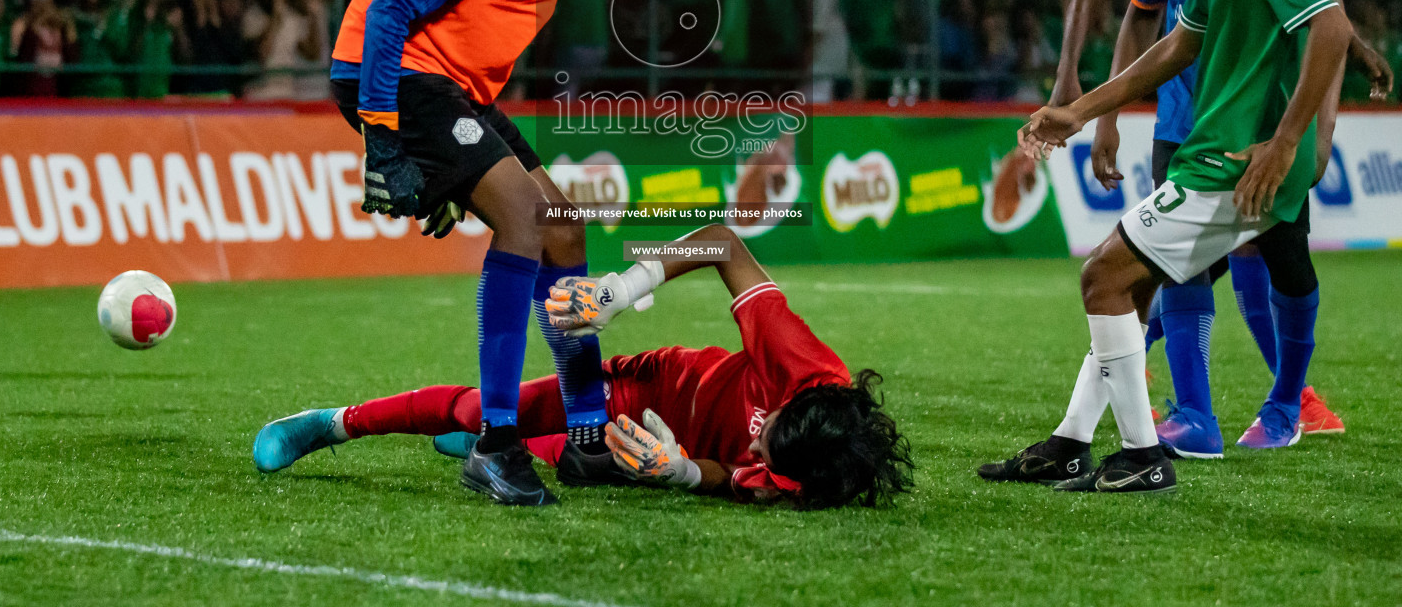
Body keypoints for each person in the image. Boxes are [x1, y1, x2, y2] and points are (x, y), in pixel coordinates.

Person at [981, 0, 1352, 494]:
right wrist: (1079, 112)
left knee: (1103, 277)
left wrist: (1284, 142)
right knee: (1135, 286)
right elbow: (1176, 47)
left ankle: (1142, 456)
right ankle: (1069, 442)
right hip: (1220, 158)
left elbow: (1329, 29)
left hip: (1231, 166)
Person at [1052, 0, 1388, 451]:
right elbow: (1170, 39)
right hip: (1195, 131)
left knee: (1137, 273)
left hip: (1249, 141)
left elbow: (1326, 20)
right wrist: (1088, 110)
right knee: (1144, 275)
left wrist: (1299, 138)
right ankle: (1181, 419)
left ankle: (1278, 406)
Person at [326, 0, 650, 506]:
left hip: (453, 90)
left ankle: (588, 440)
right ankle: (496, 444)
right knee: (525, 220)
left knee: (563, 225)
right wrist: (383, 139)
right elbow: (390, 8)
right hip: (398, 75)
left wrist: (444, 158)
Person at [252, 226, 913, 509]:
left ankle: (515, 444)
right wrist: (621, 291)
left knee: (583, 465)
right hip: (647, 383)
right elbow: (721, 238)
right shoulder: (800, 359)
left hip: (655, 447)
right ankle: (329, 424)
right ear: (795, 400)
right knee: (482, 409)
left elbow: (735, 481)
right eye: (767, 434)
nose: (758, 445)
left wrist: (679, 471)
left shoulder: (816, 477)